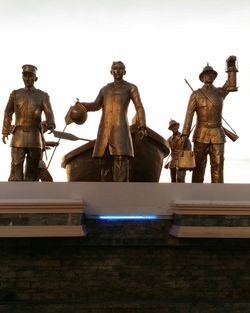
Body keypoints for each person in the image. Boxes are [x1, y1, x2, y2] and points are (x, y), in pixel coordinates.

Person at [72, 61, 147, 182]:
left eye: (120, 69)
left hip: (120, 130)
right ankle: (105, 195)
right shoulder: (105, 89)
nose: (117, 71)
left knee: (121, 161)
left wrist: (142, 126)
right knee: (104, 163)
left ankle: (121, 194)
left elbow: (139, 107)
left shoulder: (131, 88)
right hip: (104, 131)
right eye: (115, 69)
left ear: (125, 71)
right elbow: (96, 105)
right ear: (111, 72)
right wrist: (82, 106)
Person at [182, 58, 237, 183]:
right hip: (200, 134)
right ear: (202, 78)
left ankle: (218, 193)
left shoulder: (220, 92)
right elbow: (189, 114)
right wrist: (185, 134)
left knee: (218, 165)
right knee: (198, 167)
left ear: (214, 77)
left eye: (211, 75)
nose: (209, 76)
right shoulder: (196, 94)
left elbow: (231, 84)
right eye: (206, 75)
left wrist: (231, 67)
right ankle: (196, 192)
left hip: (218, 133)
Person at [2, 64, 56, 181]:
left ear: (35, 78)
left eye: (30, 76)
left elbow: (49, 113)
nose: (27, 79)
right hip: (18, 136)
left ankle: (31, 193)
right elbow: (7, 112)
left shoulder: (43, 96)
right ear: (22, 77)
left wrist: (50, 124)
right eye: (25, 76)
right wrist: (5, 130)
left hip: (35, 137)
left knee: (32, 170)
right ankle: (15, 193)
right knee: (16, 167)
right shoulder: (15, 94)